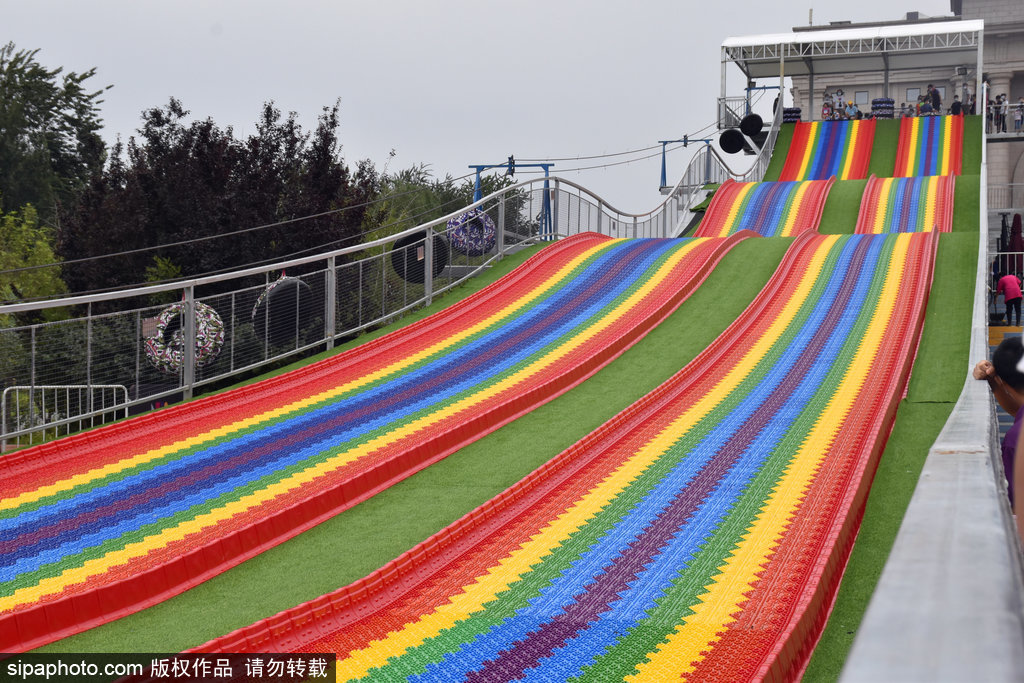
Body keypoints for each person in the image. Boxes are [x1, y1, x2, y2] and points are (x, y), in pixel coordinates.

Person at [974, 336, 1024, 508]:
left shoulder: (1016, 441)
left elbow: (1015, 509)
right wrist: (995, 384)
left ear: (1005, 383)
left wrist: (996, 382)